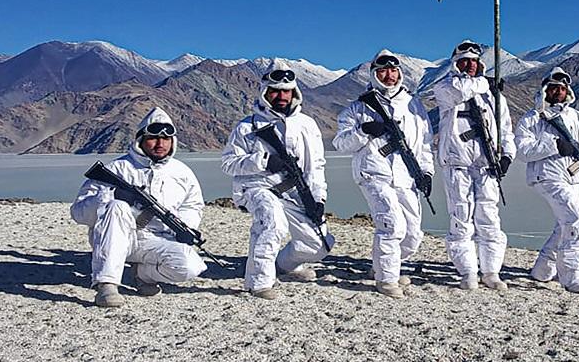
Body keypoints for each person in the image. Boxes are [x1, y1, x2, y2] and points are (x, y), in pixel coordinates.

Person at [71, 107, 206, 308]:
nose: (160, 144)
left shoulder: (182, 172)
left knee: (190, 267)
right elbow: (78, 212)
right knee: (117, 207)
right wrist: (110, 198)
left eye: (166, 139)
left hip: (157, 240)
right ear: (141, 139)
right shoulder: (117, 169)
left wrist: (182, 225)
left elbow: (193, 205)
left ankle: (143, 274)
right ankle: (106, 285)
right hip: (116, 238)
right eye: (153, 138)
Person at [220, 60, 331, 300]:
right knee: (272, 223)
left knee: (319, 244)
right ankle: (259, 282)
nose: (281, 95)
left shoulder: (307, 125)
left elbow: (316, 166)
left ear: (294, 93)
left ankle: (285, 265)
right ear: (265, 92)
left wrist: (318, 197)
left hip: (295, 192)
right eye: (275, 91)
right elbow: (228, 164)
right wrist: (262, 161)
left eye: (286, 90)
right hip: (258, 188)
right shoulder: (246, 127)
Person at [333, 50, 435, 299]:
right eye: (382, 71)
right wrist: (364, 131)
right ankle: (387, 280)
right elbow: (340, 143)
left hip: (406, 176)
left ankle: (384, 266)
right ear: (374, 74)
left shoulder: (413, 105)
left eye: (393, 71)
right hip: (374, 174)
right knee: (392, 225)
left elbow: (423, 143)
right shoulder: (358, 108)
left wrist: (427, 172)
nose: (388, 76)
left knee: (412, 234)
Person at [433, 39, 516, 291]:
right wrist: (486, 83)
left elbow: (506, 129)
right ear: (455, 64)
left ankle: (491, 271)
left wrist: (507, 156)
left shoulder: (493, 96)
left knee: (489, 218)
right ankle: (467, 271)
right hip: (457, 163)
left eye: (474, 61)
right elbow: (460, 92)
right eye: (464, 61)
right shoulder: (445, 86)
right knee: (461, 218)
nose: (469, 65)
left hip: (485, 164)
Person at [515, 67, 579, 294]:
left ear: (568, 91)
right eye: (553, 88)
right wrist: (553, 146)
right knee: (576, 222)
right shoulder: (532, 117)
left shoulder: (577, 118)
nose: (557, 92)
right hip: (547, 176)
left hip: (577, 178)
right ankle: (573, 279)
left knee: (568, 226)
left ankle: (542, 270)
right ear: (545, 89)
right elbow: (523, 150)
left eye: (561, 88)